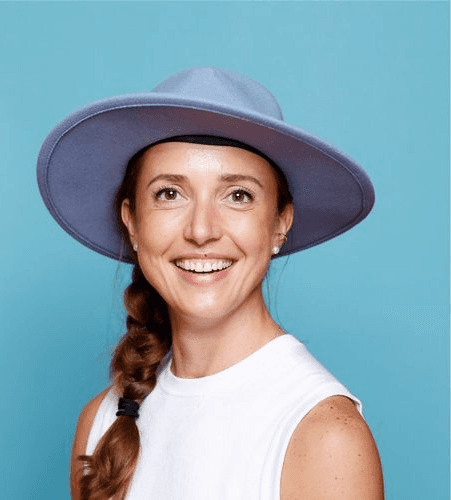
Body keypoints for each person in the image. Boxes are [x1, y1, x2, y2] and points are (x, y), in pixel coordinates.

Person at [37, 67, 384, 500]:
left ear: (280, 223)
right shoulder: (100, 424)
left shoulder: (324, 436)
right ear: (132, 223)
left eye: (238, 195)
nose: (201, 230)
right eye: (169, 193)